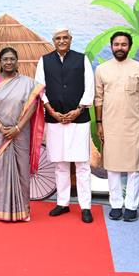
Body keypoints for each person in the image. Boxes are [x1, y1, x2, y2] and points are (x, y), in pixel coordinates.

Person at [35, 27, 95, 223]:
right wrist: (51, 110)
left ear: (71, 39)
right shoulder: (44, 61)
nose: (62, 41)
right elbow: (40, 88)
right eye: (58, 38)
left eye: (65, 38)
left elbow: (89, 87)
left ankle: (85, 206)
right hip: (55, 119)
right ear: (53, 40)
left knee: (82, 164)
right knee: (60, 164)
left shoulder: (82, 59)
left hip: (79, 119)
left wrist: (78, 110)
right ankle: (62, 203)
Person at [0, 47, 45, 221]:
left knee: (22, 171)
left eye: (12, 59)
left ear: (17, 62)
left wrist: (17, 128)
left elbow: (32, 106)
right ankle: (0, 211)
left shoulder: (28, 83)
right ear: (0, 62)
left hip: (20, 133)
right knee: (0, 173)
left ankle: (22, 212)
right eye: (5, 59)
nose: (8, 62)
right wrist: (1, 127)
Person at [94, 32, 139, 222]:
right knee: (112, 168)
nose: (120, 47)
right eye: (116, 44)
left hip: (135, 125)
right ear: (111, 46)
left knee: (134, 168)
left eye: (124, 44)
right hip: (110, 125)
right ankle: (116, 205)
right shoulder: (102, 69)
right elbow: (98, 99)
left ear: (130, 47)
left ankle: (132, 206)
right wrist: (99, 124)